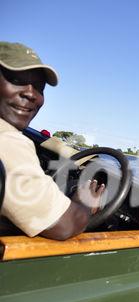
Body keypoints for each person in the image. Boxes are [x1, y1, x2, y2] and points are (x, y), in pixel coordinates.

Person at [0, 41, 104, 240]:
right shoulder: (7, 141)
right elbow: (64, 225)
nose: (31, 93)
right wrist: (84, 202)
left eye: (39, 87)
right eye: (16, 79)